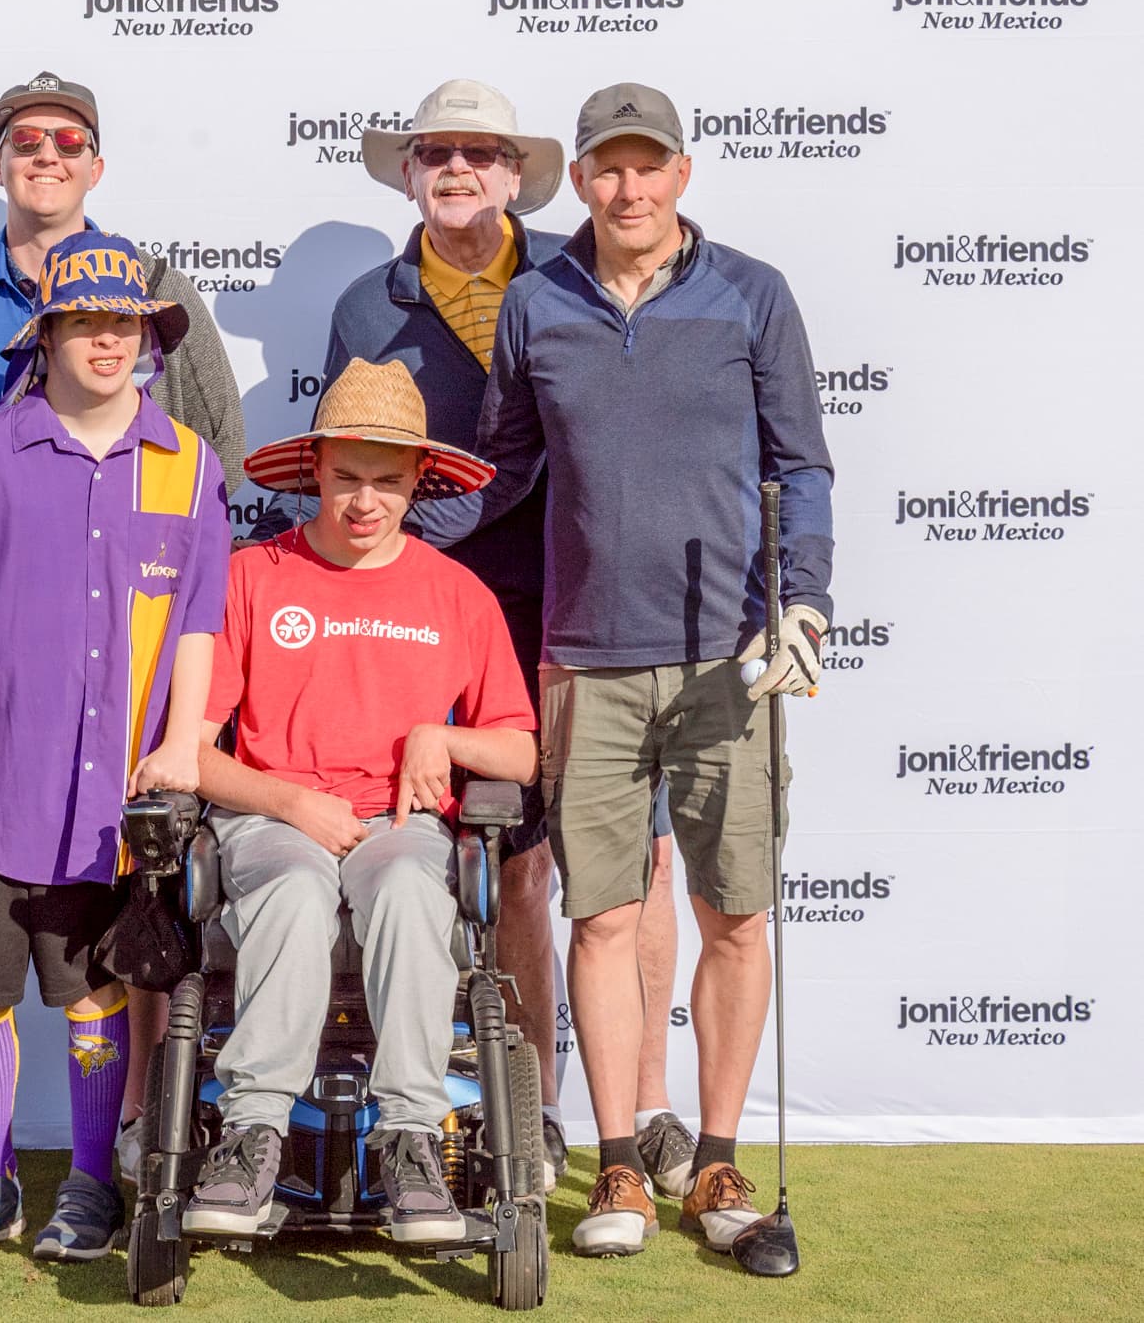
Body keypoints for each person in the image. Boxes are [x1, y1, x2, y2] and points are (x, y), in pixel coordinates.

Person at [415, 82, 834, 1258]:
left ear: (682, 176)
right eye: (608, 168)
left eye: (648, 167)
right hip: (584, 660)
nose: (628, 188)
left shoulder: (753, 294)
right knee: (600, 918)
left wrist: (801, 603)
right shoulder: (535, 302)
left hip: (729, 662)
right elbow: (503, 470)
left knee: (734, 916)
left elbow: (801, 465)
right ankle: (615, 1170)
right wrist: (381, 534)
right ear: (581, 179)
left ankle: (712, 1163)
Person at [256, 77, 694, 1192]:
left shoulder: (570, 269)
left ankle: (641, 1108)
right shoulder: (367, 303)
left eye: (480, 152)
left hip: (583, 603)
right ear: (408, 171)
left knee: (624, 860)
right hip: (430, 609)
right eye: (435, 151)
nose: (456, 167)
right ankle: (533, 1107)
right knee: (507, 862)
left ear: (516, 174)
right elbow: (366, 453)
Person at [0, 69, 245, 1201]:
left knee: (104, 981)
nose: (104, 339)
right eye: (24, 140)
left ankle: (99, 1164)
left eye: (121, 324)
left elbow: (197, 610)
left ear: (149, 335)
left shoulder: (186, 463)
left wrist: (187, 738)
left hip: (119, 774)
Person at [186, 358, 538, 1242]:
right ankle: (253, 1134)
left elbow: (521, 753)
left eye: (387, 481)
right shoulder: (250, 577)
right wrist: (292, 804)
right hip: (273, 820)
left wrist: (443, 739)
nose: (364, 501)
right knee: (296, 892)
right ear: (316, 472)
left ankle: (413, 1139)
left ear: (421, 479)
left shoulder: (458, 594)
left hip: (401, 829)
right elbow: (189, 750)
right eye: (346, 478)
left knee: (417, 888)